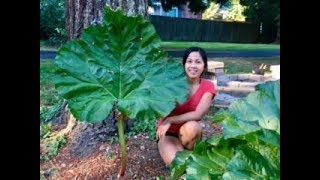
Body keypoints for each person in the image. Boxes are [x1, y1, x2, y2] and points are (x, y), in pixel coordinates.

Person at [156, 47, 217, 166]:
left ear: (204, 66)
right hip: (168, 131)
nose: (193, 66)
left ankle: (191, 152)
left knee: (192, 127)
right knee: (177, 165)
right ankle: (183, 153)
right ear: (184, 64)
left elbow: (198, 114)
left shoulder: (208, 86)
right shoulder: (172, 83)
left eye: (198, 62)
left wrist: (170, 119)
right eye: (189, 61)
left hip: (189, 131)